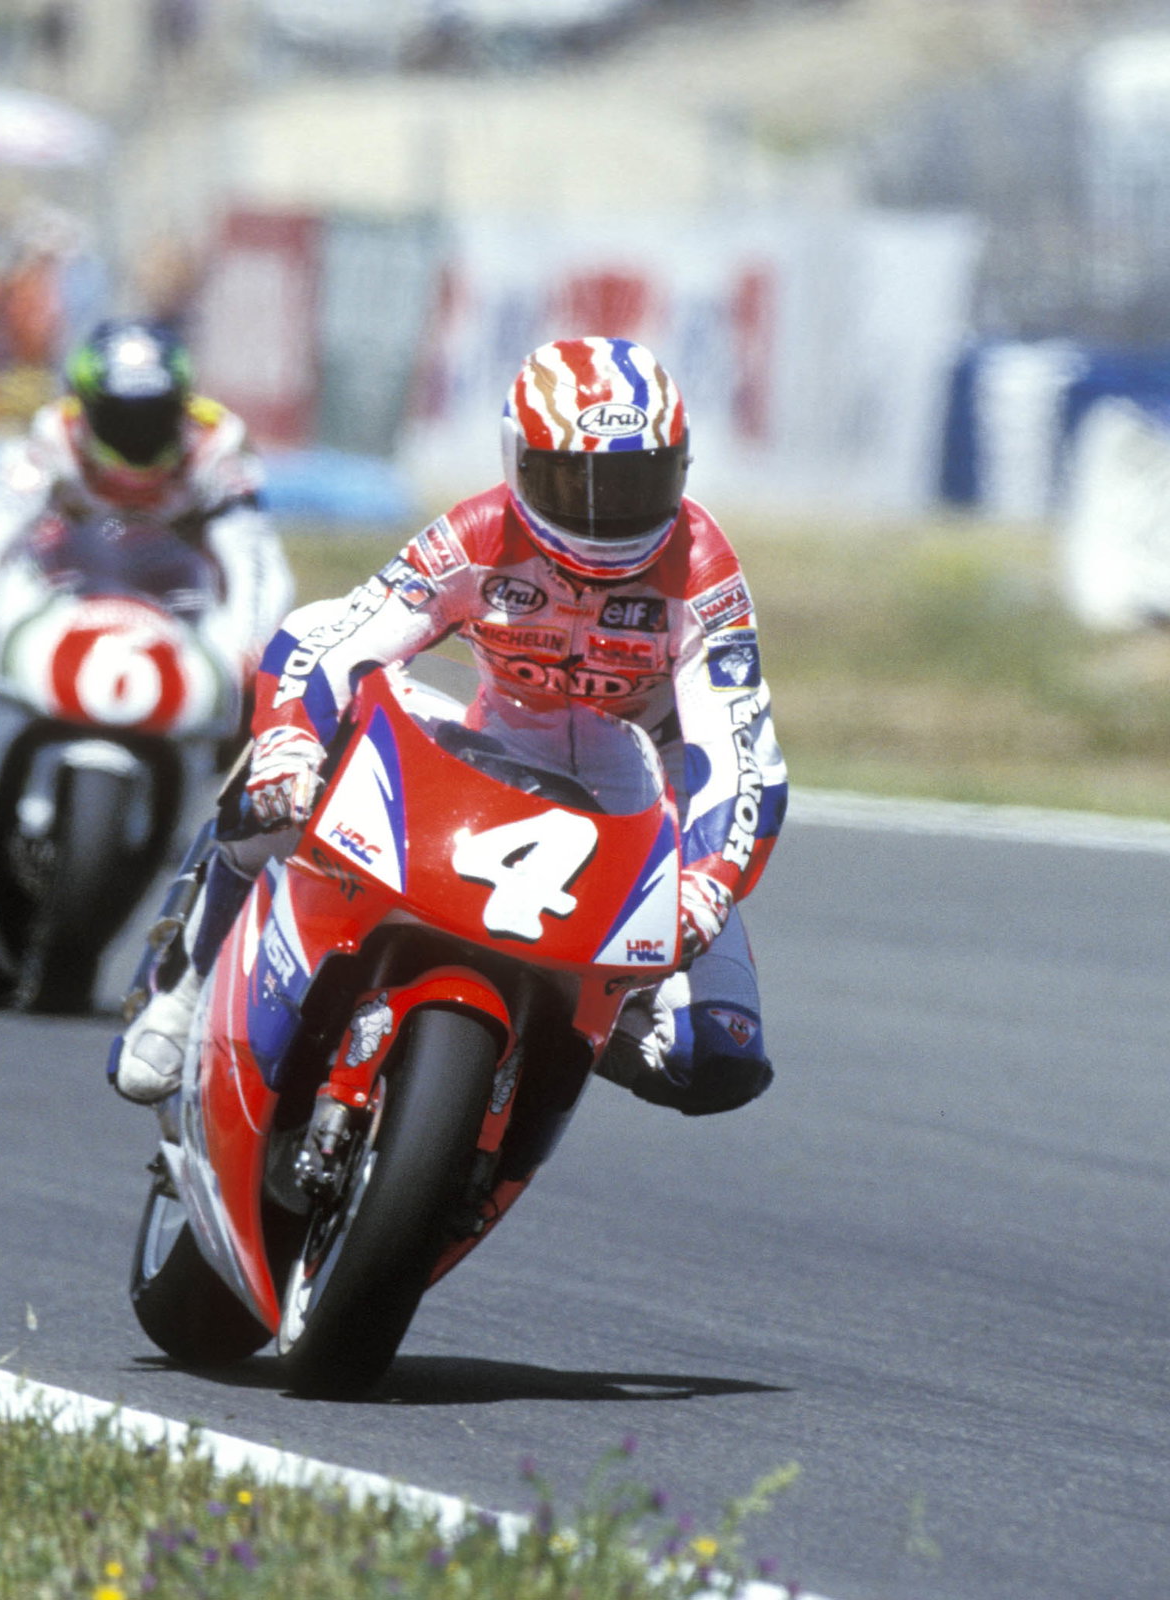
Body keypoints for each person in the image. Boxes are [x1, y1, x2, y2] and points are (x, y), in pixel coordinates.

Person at [114, 336, 788, 1118]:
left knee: (720, 1062)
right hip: (492, 754)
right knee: (272, 786)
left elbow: (740, 751)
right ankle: (184, 987)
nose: (604, 514)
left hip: (645, 804)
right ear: (520, 464)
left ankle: (550, 1046)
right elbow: (332, 635)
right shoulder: (479, 532)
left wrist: (707, 883)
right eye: (576, 481)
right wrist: (291, 743)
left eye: (635, 481)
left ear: (680, 468)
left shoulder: (703, 567)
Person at [0, 316, 295, 778]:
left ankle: (217, 801)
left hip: (178, 595)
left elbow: (253, 556)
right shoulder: (53, 435)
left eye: (153, 416)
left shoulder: (219, 447)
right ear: (88, 408)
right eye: (120, 416)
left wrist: (252, 644)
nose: (136, 433)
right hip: (66, 577)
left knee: (255, 684)